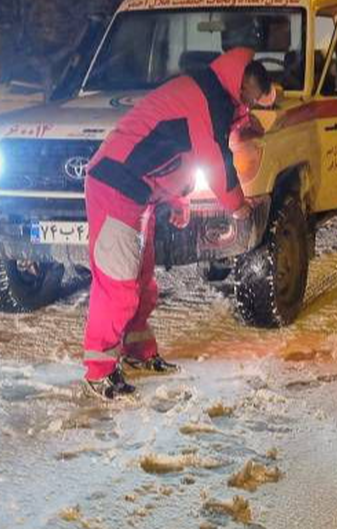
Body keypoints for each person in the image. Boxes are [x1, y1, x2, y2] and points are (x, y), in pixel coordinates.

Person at [81, 47, 272, 399]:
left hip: (140, 193)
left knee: (141, 279)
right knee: (118, 284)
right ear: (243, 84)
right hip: (115, 187)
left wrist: (178, 197)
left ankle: (138, 350)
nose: (250, 106)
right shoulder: (205, 98)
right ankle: (99, 369)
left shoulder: (213, 93)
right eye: (252, 99)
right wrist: (238, 206)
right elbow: (213, 157)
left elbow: (176, 152)